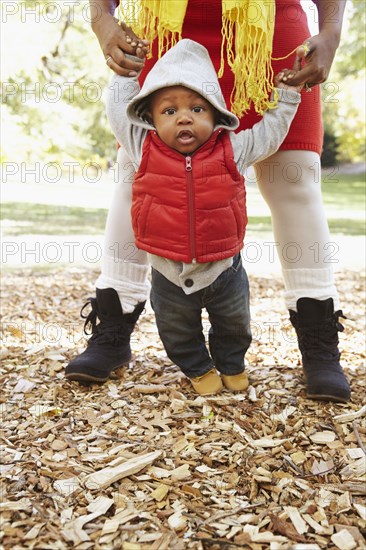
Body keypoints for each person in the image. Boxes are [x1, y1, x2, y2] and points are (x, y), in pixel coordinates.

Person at [65, 0, 351, 403]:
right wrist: (102, 20)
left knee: (295, 179)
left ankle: (319, 344)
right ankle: (113, 327)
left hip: (271, 33)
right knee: (138, 172)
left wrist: (332, 31)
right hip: (165, 35)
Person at [105, 38, 301, 395]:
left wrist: (287, 95)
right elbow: (118, 110)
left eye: (197, 109)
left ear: (215, 115)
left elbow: (270, 134)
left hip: (225, 267)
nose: (184, 117)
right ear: (149, 118)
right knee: (176, 330)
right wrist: (127, 74)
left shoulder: (233, 148)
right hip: (168, 271)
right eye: (169, 111)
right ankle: (197, 367)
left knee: (235, 323)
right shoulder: (142, 147)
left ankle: (231, 363)